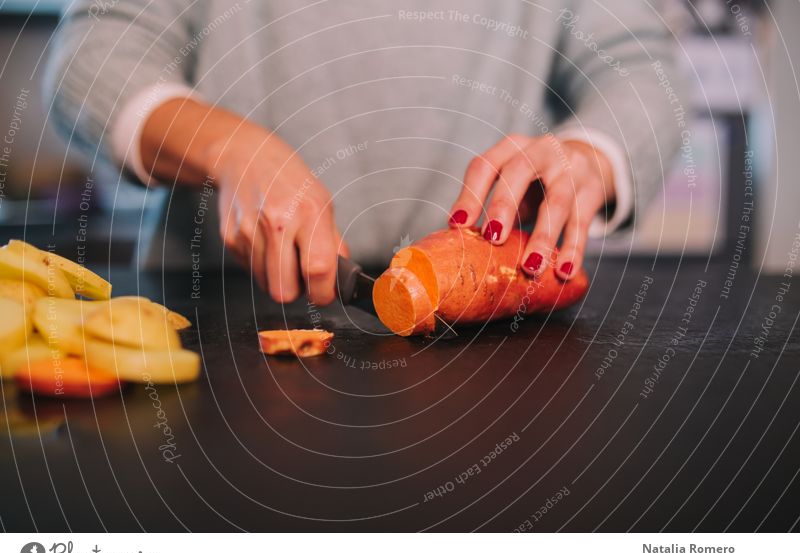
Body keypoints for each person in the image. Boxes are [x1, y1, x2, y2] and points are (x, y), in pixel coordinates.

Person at [45, 0, 681, 306]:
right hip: (217, 305)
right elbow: (93, 53)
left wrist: (590, 154)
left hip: (501, 335)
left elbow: (645, 69)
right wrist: (226, 146)